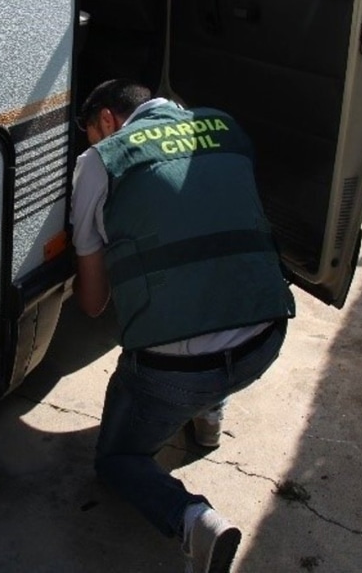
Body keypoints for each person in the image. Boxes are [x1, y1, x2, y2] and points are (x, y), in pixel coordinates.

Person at [70, 79, 295, 573]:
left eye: (93, 133)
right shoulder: (225, 125)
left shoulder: (99, 161)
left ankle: (194, 522)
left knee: (116, 461)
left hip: (176, 374)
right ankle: (209, 420)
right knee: (215, 279)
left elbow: (93, 303)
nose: (95, 143)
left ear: (107, 120)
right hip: (267, 338)